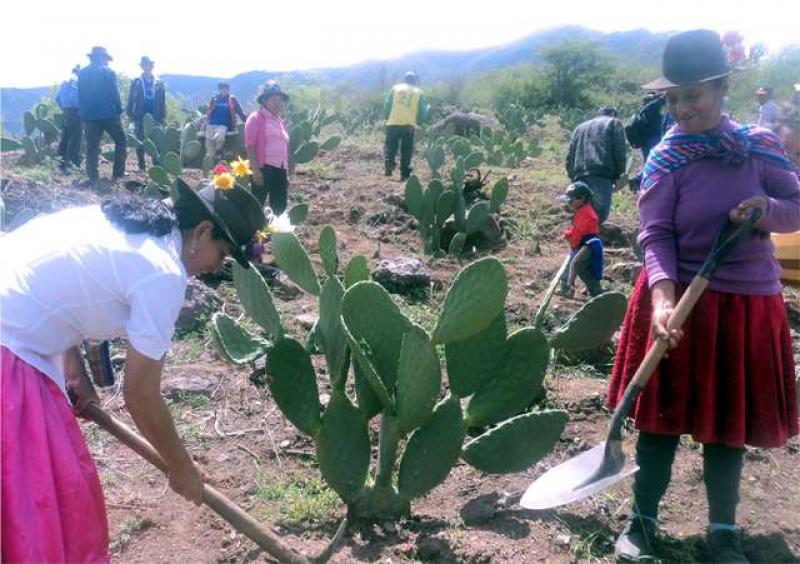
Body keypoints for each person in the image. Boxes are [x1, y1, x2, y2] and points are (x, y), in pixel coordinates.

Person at [607, 30, 800, 563]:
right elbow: (655, 234)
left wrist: (765, 207)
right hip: (677, 297)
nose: (680, 108)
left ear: (721, 87)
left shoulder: (759, 147)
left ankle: (722, 532)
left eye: (692, 95)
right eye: (672, 98)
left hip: (745, 304)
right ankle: (641, 523)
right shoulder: (667, 157)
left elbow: (795, 206)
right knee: (657, 416)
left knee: (726, 427)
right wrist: (662, 298)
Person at [0, 179, 266, 562]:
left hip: (21, 340)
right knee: (36, 503)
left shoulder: (128, 224)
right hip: (11, 354)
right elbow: (141, 394)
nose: (214, 268)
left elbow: (58, 283)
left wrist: (77, 373)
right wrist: (181, 466)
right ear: (203, 232)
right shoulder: (162, 272)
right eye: (221, 254)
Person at [565, 107, 627, 223]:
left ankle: (579, 238)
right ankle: (592, 239)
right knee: (598, 215)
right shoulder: (614, 123)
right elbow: (619, 150)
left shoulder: (579, 127)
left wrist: (572, 176)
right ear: (613, 114)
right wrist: (619, 174)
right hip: (601, 172)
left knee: (581, 212)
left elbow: (569, 156)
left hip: (579, 173)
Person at [78, 46, 127, 185]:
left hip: (90, 116)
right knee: (121, 142)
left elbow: (80, 95)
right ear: (102, 58)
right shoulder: (108, 72)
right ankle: (117, 175)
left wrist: (83, 114)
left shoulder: (82, 73)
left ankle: (93, 177)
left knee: (92, 147)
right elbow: (114, 93)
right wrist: (118, 109)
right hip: (109, 115)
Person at [245, 81, 290, 213]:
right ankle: (254, 232)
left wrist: (285, 173)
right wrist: (255, 170)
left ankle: (276, 232)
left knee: (279, 205)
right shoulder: (255, 118)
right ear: (265, 100)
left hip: (280, 169)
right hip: (263, 168)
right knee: (257, 204)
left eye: (280, 100)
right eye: (274, 100)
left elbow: (283, 147)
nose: (278, 103)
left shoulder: (279, 121)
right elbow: (250, 146)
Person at [558, 181, 604, 297]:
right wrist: (567, 234)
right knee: (572, 269)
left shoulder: (587, 214)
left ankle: (596, 293)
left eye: (571, 199)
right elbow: (576, 229)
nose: (569, 202)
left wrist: (572, 241)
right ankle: (568, 289)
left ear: (582, 198)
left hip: (586, 246)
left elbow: (580, 233)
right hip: (581, 245)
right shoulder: (582, 211)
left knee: (581, 269)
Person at [384, 71, 428, 180]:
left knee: (391, 146)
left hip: (393, 122)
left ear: (404, 79)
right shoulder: (419, 92)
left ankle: (389, 163)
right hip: (409, 125)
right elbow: (422, 110)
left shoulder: (395, 89)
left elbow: (387, 104)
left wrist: (387, 117)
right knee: (407, 150)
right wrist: (420, 123)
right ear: (414, 81)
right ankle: (404, 174)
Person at [127, 56, 167, 170]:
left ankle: (157, 164)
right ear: (142, 67)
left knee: (156, 139)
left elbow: (163, 101)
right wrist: (129, 113)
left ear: (151, 66)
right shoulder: (136, 81)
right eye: (144, 65)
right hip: (140, 114)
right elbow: (131, 98)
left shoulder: (159, 82)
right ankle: (142, 165)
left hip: (155, 115)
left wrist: (163, 116)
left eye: (148, 65)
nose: (146, 67)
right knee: (140, 139)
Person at [205, 82, 247, 162]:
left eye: (225, 88)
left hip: (224, 124)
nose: (223, 90)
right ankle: (212, 160)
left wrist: (247, 120)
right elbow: (209, 111)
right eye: (221, 88)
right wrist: (205, 121)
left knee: (219, 138)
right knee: (209, 141)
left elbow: (239, 111)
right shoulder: (214, 99)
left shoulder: (232, 99)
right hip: (212, 123)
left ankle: (217, 152)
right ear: (219, 89)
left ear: (228, 89)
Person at [55, 65, 82, 173]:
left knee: (64, 140)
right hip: (75, 114)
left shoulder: (64, 86)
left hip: (66, 113)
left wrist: (63, 108)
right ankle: (73, 165)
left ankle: (61, 165)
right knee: (74, 140)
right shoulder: (78, 87)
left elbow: (57, 99)